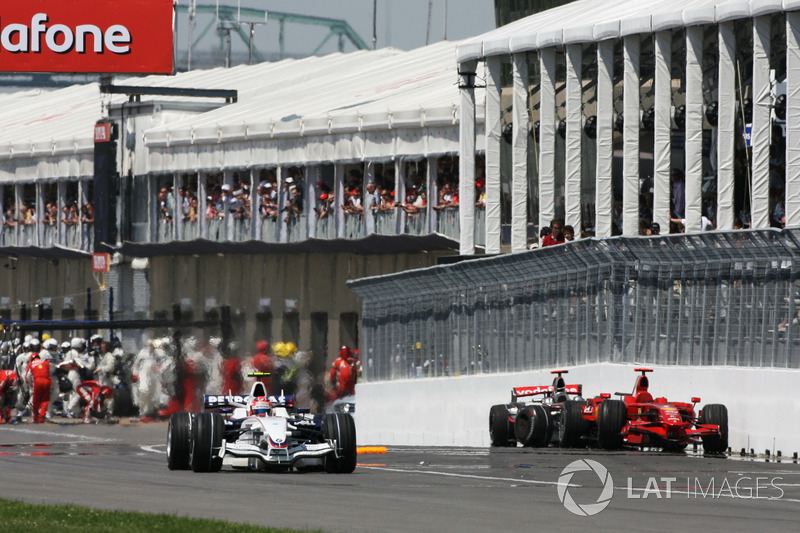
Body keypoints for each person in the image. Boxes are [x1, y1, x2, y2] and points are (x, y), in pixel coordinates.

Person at [26, 353, 52, 423]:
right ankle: (42, 417)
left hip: (37, 381)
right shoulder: (46, 363)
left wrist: (29, 384)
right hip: (47, 381)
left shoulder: (31, 364)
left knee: (36, 400)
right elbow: (49, 372)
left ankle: (35, 418)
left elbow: (28, 376)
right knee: (45, 400)